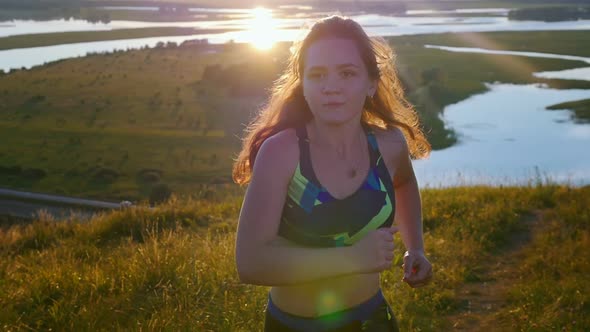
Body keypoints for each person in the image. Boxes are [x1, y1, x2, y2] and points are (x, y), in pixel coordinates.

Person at [233, 15, 433, 332]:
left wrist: (416, 247)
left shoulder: (389, 145)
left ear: (371, 83)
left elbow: (404, 182)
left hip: (373, 319)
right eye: (317, 74)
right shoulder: (281, 153)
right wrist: (353, 258)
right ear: (304, 84)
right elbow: (250, 263)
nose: (331, 87)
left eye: (347, 73)